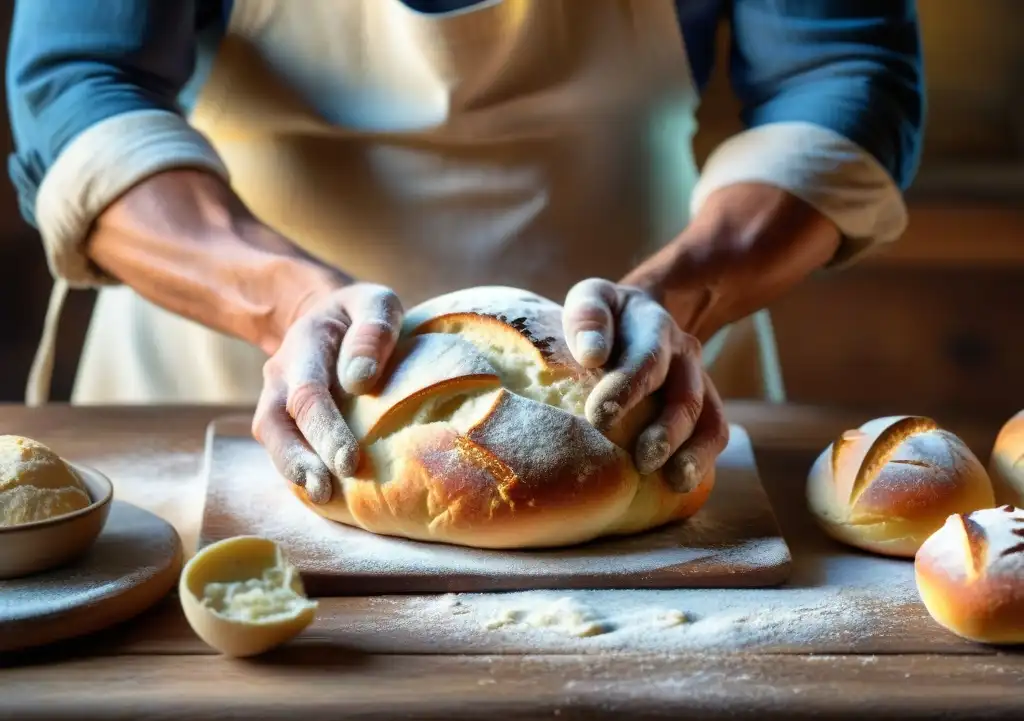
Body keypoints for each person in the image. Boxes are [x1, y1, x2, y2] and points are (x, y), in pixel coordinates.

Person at [7, 0, 923, 504]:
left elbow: (841, 71)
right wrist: (286, 307)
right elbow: (80, 81)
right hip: (222, 371)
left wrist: (680, 296)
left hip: (648, 384)